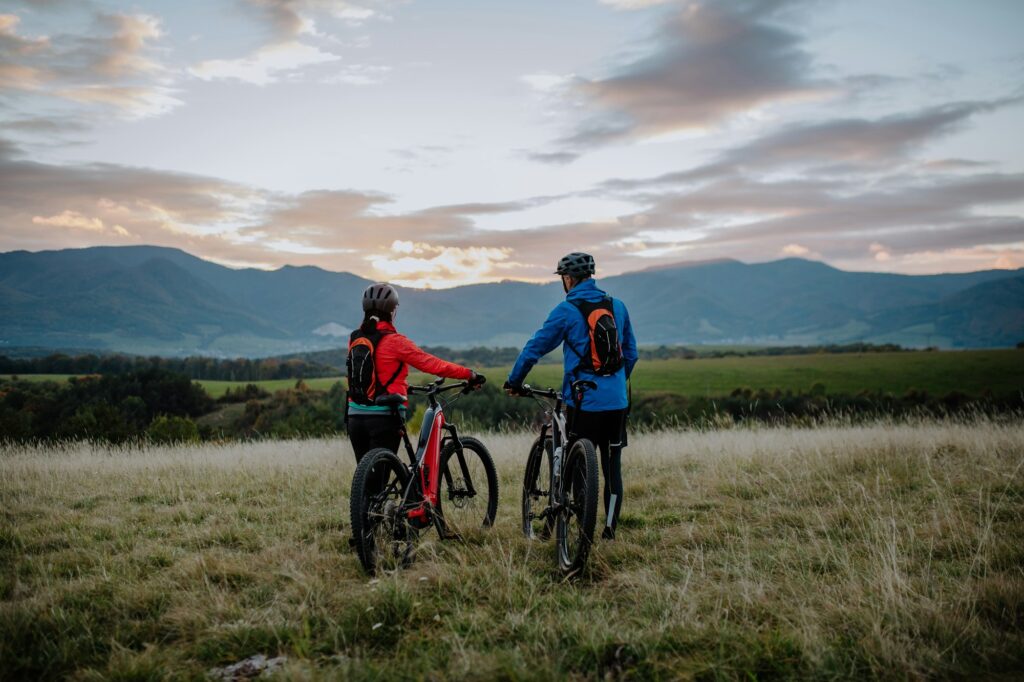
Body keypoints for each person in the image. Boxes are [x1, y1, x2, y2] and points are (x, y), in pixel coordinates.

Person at [504, 252, 638, 540]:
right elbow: (632, 353)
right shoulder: (618, 306)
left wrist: (515, 380)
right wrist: (614, 383)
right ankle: (610, 531)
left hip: (583, 401)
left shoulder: (566, 310)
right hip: (616, 403)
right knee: (612, 466)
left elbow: (535, 347)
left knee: (579, 464)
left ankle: (581, 528)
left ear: (568, 279)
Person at [347, 282, 485, 463]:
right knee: (379, 479)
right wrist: (469, 374)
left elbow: (368, 374)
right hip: (385, 416)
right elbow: (434, 365)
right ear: (392, 312)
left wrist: (404, 386)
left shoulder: (356, 337)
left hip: (355, 416)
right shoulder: (395, 341)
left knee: (365, 480)